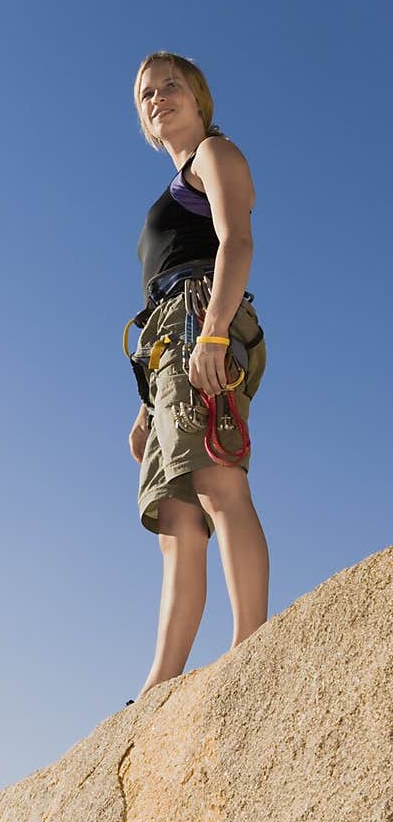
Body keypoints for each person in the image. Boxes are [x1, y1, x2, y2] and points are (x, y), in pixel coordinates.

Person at [126, 51, 269, 700]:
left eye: (171, 85)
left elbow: (235, 240)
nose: (159, 98)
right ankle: (161, 682)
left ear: (200, 96)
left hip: (200, 323)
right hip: (164, 351)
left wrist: (213, 331)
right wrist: (146, 409)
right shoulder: (169, 183)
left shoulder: (214, 154)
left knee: (215, 481)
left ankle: (252, 644)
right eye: (148, 94)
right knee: (177, 519)